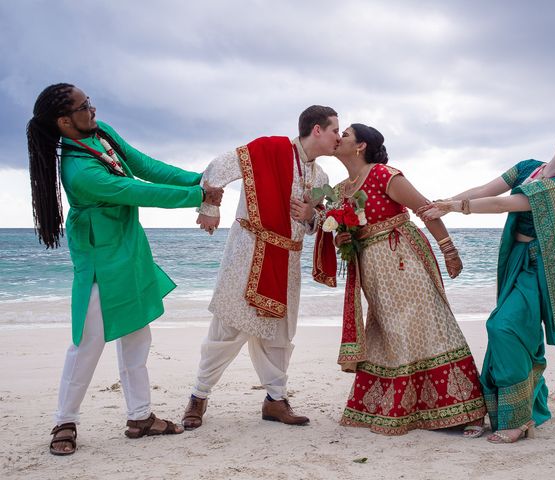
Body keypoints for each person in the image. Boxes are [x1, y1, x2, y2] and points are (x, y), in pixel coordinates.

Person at [27, 83, 223, 455]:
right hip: (99, 256)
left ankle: (140, 417)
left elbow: (144, 165)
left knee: (137, 336)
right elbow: (136, 191)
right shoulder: (78, 170)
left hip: (128, 247)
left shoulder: (101, 133)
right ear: (64, 122)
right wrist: (198, 196)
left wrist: (197, 179)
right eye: (84, 107)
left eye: (90, 102)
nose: (93, 110)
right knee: (87, 343)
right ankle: (64, 422)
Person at [421, 135, 555, 443]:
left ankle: (519, 419)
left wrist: (453, 206)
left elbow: (501, 204)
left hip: (538, 268)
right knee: (516, 331)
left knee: (503, 326)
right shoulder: (528, 168)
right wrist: (444, 204)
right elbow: (486, 190)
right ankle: (508, 409)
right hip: (515, 262)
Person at [182, 106, 340, 429]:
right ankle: (198, 396)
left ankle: (275, 401)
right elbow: (218, 166)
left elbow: (319, 225)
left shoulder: (321, 178)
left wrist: (310, 216)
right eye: (336, 130)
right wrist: (210, 207)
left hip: (287, 264)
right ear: (317, 130)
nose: (339, 137)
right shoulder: (270, 149)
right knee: (227, 330)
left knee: (280, 336)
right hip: (248, 253)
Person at [331, 123, 487, 436]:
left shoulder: (385, 174)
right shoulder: (339, 190)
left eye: (345, 134)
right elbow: (337, 231)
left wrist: (449, 250)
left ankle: (465, 411)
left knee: (425, 325)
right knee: (388, 332)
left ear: (361, 146)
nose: (339, 138)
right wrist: (338, 235)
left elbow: (425, 209)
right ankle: (405, 408)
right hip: (372, 269)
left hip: (403, 258)